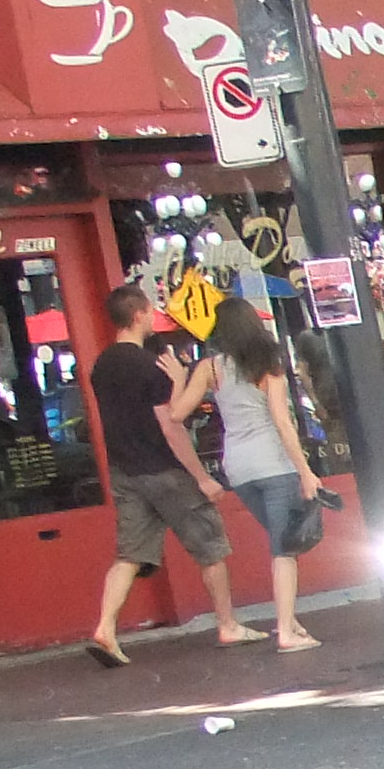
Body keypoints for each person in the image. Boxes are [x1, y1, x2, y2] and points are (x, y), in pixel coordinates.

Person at [85, 283, 238, 665]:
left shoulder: (102, 366)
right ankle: (228, 624)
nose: (153, 317)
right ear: (138, 314)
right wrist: (201, 477)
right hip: (166, 469)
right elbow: (171, 425)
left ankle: (105, 628)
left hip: (126, 470)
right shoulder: (150, 367)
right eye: (150, 311)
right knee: (210, 547)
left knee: (130, 554)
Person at [181, 302, 320, 653]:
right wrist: (306, 472)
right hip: (274, 463)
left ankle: (291, 622)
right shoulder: (268, 364)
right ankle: (286, 631)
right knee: (284, 549)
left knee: (280, 539)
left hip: (238, 467)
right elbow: (282, 423)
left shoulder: (210, 368)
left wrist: (176, 380)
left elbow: (177, 413)